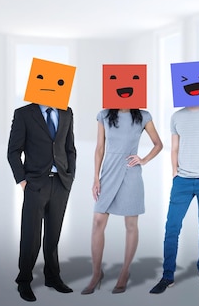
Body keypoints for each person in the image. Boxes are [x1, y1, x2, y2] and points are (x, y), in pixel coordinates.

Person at [81, 108, 163, 295]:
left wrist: (143, 160)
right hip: (108, 172)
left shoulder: (143, 116)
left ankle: (125, 272)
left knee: (131, 224)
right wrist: (96, 177)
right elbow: (100, 148)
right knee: (97, 222)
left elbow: (158, 144)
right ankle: (96, 274)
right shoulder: (103, 114)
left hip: (130, 172)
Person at [149, 105, 199, 294]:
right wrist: (175, 172)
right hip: (182, 181)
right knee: (172, 228)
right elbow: (174, 147)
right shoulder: (177, 116)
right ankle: (167, 276)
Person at [7, 103, 76, 302]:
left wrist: (70, 176)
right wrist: (22, 181)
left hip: (61, 183)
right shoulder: (23, 114)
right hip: (36, 183)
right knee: (31, 235)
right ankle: (24, 280)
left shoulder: (66, 111)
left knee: (53, 234)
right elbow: (13, 151)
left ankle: (52, 277)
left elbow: (69, 147)